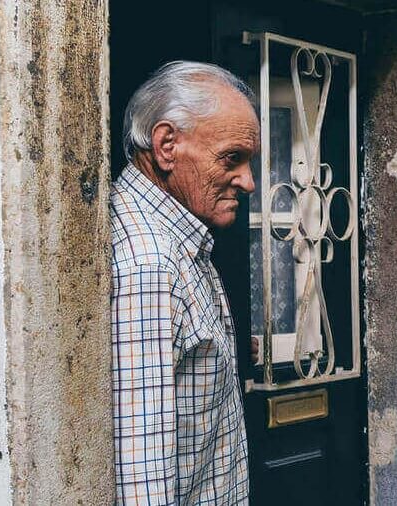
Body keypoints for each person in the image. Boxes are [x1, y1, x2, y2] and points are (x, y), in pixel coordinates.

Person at [109, 61, 258, 505]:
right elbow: (142, 483)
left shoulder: (174, 241)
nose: (248, 182)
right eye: (232, 158)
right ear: (166, 145)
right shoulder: (150, 263)